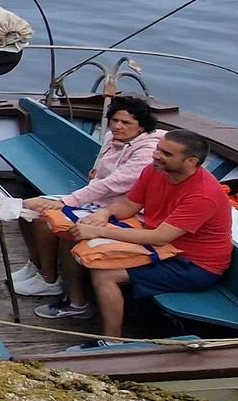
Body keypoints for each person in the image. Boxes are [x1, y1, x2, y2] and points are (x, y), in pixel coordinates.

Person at [34, 129, 233, 339]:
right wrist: (105, 212)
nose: (156, 155)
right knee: (71, 237)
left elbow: (160, 237)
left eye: (167, 153)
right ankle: (77, 304)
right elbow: (130, 205)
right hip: (160, 244)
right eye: (158, 149)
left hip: (191, 264)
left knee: (105, 275)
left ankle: (112, 341)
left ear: (191, 161)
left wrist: (97, 231)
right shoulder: (154, 171)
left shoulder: (203, 195)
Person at [12, 97, 165, 298]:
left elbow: (113, 183)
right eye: (115, 120)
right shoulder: (113, 137)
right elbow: (98, 173)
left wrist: (64, 202)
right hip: (98, 198)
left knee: (42, 219)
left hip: (121, 208)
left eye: (126, 123)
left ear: (141, 127)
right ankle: (36, 265)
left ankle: (48, 281)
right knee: (26, 211)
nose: (118, 126)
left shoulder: (147, 151)